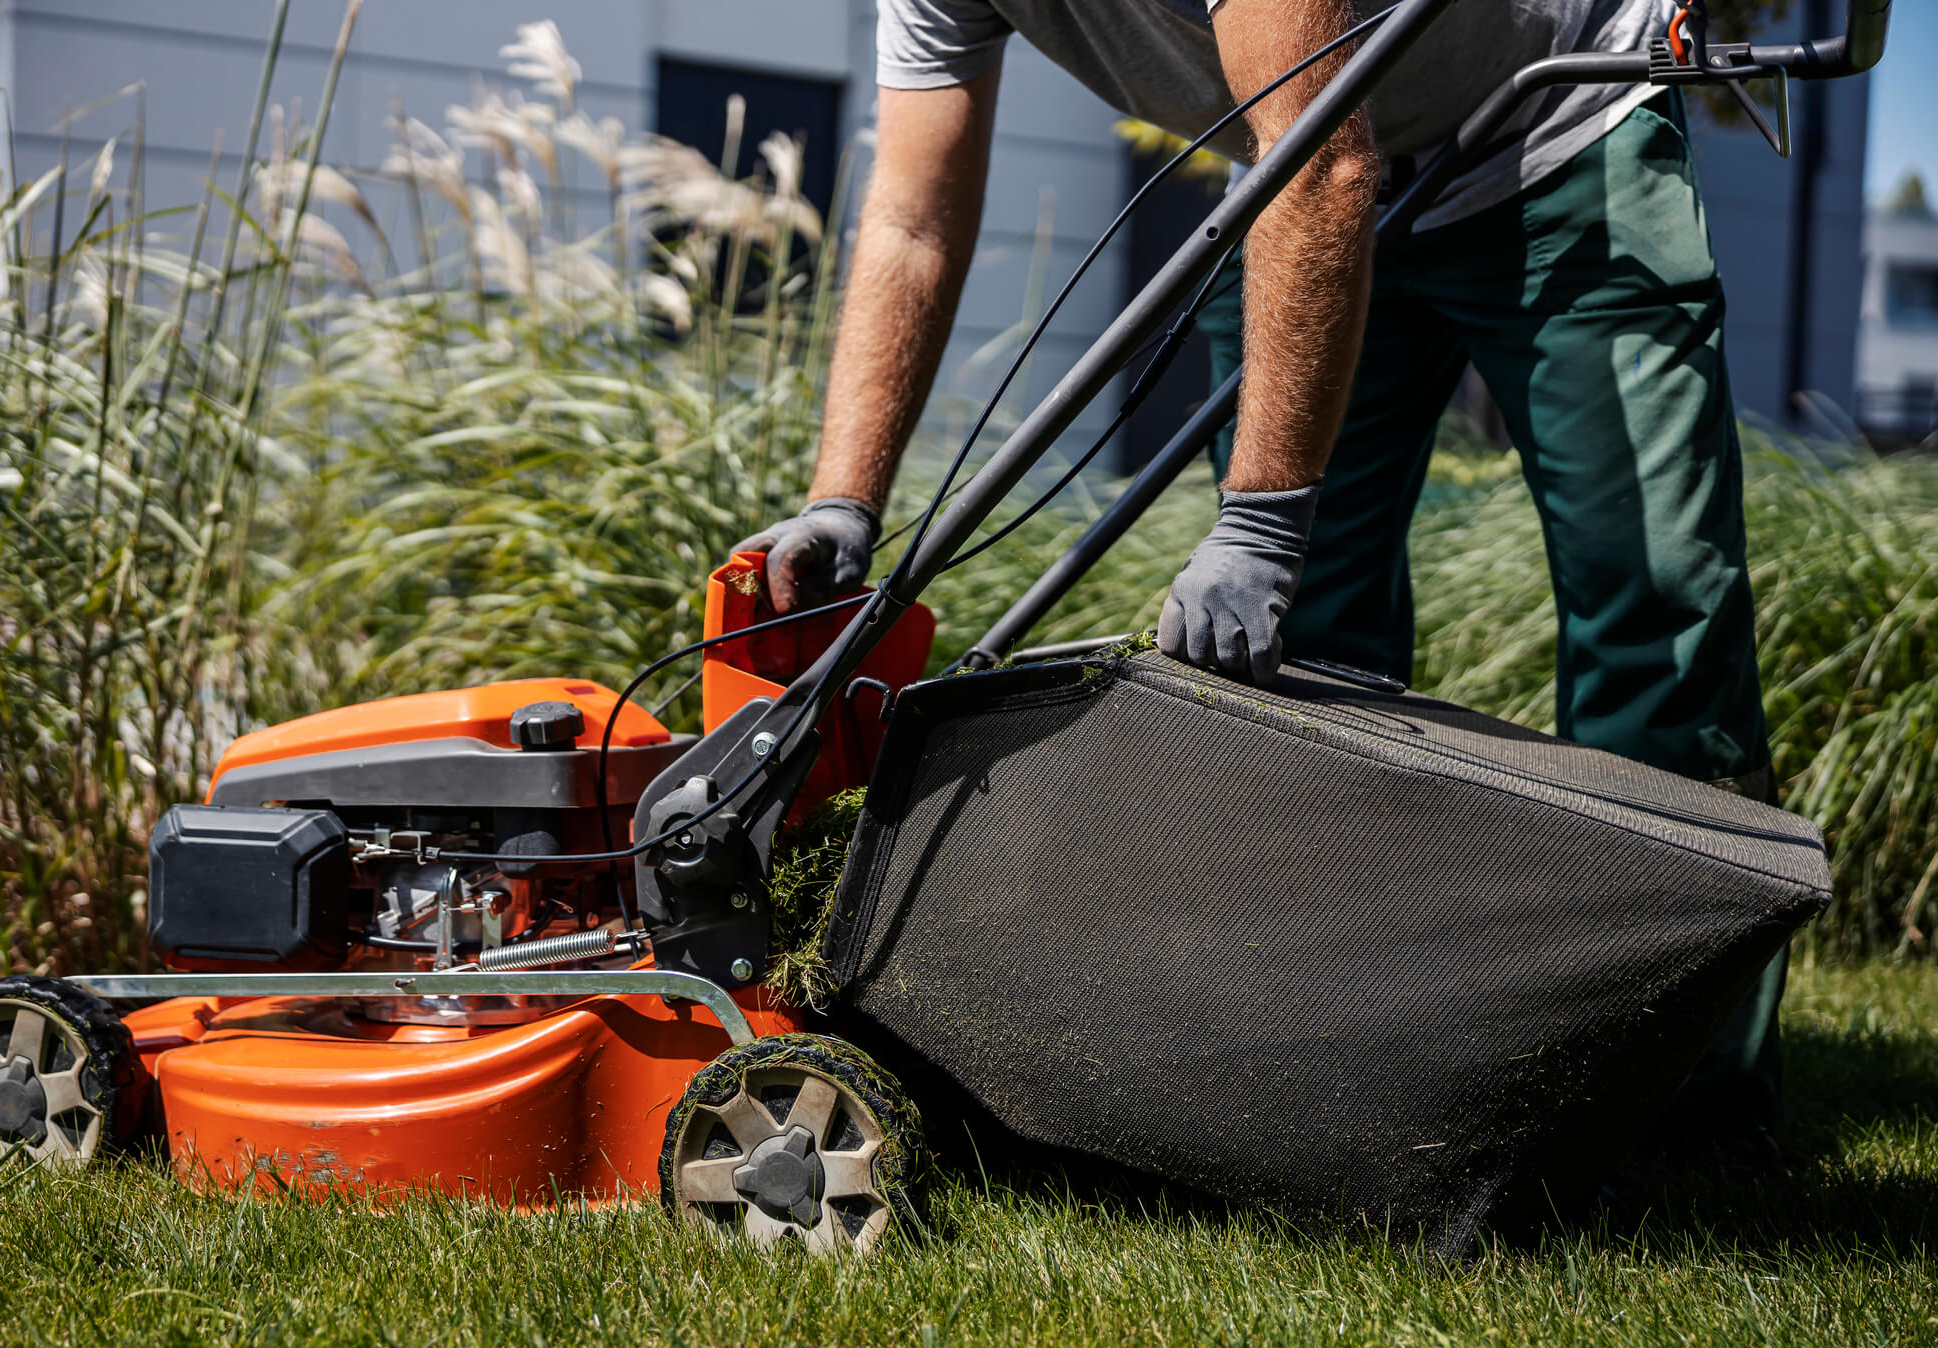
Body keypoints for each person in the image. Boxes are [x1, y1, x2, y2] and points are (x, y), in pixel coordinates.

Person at [734, 0, 1784, 1162]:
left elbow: (1324, 165)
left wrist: (1262, 521)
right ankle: (1341, 1066)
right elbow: (912, 217)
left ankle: (1684, 1101)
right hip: (1308, 163)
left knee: (1653, 603)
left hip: (1558, 129)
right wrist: (847, 499)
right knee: (1300, 653)